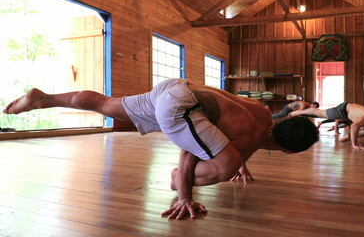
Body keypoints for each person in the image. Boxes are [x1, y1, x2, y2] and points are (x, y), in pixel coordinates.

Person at [3, 78, 319, 219]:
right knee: (222, 168)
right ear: (290, 152)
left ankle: (43, 98)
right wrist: (184, 196)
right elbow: (190, 148)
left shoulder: (263, 115)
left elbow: (230, 128)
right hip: (180, 107)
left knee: (105, 104)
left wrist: (240, 160)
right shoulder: (241, 149)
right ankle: (178, 184)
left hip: (178, 88)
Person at [288, 102, 364, 150]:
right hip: (344, 110)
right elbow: (354, 127)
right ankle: (298, 112)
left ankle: (300, 113)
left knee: (321, 114)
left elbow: (353, 133)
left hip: (349, 118)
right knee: (320, 113)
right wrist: (354, 144)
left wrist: (349, 139)